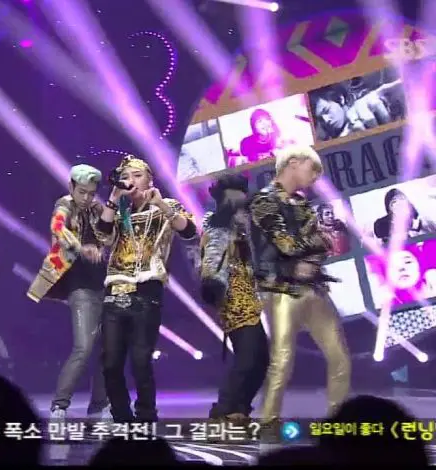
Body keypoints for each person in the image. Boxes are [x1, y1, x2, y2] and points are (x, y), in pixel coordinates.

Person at [249, 145, 351, 427]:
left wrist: (313, 257)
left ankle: (338, 421)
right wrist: (317, 242)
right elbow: (287, 245)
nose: (315, 177)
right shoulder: (263, 201)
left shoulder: (302, 203)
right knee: (282, 362)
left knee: (340, 357)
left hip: (313, 288)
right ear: (293, 163)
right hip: (281, 290)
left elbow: (322, 247)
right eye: (313, 170)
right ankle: (268, 423)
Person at [95, 155, 197, 423]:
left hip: (146, 291)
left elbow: (189, 231)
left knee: (141, 361)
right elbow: (102, 236)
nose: (131, 180)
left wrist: (161, 204)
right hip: (115, 288)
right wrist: (113, 198)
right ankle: (121, 417)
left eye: (137, 175)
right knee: (110, 363)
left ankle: (146, 416)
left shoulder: (166, 206)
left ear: (150, 180)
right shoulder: (119, 212)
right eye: (126, 176)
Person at [27, 164, 109, 420]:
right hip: (79, 286)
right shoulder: (64, 205)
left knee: (108, 348)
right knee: (83, 347)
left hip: (105, 284)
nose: (86, 198)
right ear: (71, 187)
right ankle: (59, 405)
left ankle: (99, 404)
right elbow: (58, 228)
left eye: (91, 193)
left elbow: (111, 234)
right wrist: (82, 248)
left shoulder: (97, 208)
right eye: (82, 192)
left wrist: (103, 248)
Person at [199, 174, 269, 424]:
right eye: (237, 193)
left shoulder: (242, 225)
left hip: (249, 297)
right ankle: (224, 410)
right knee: (248, 357)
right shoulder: (217, 225)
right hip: (232, 299)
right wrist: (213, 284)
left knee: (261, 359)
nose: (242, 197)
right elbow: (212, 260)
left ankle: (239, 408)